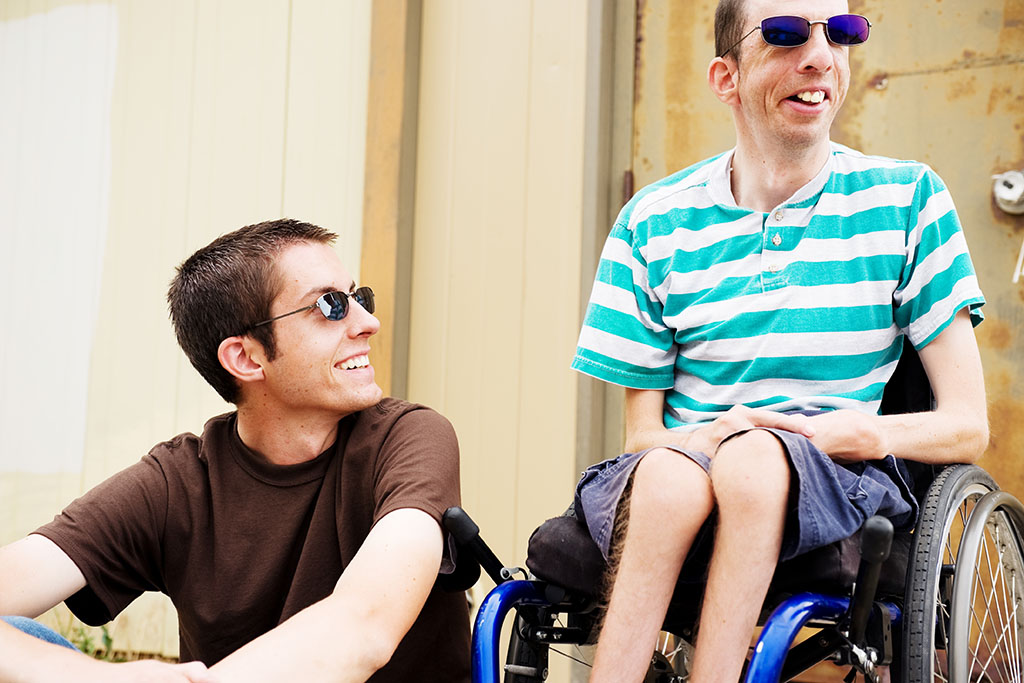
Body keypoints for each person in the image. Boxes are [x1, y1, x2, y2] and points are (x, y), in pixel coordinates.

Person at [570, 1, 989, 681]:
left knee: (758, 464)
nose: (822, 56)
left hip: (834, 469)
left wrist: (867, 432)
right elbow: (642, 437)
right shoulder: (653, 222)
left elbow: (968, 427)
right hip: (684, 468)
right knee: (676, 478)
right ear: (725, 77)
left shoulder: (908, 199)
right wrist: (709, 436)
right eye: (787, 35)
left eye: (842, 34)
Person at [0, 219, 471, 682]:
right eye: (330, 305)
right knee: (18, 634)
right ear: (246, 358)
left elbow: (364, 625)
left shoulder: (411, 439)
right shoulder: (177, 482)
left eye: (358, 297)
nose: (369, 322)